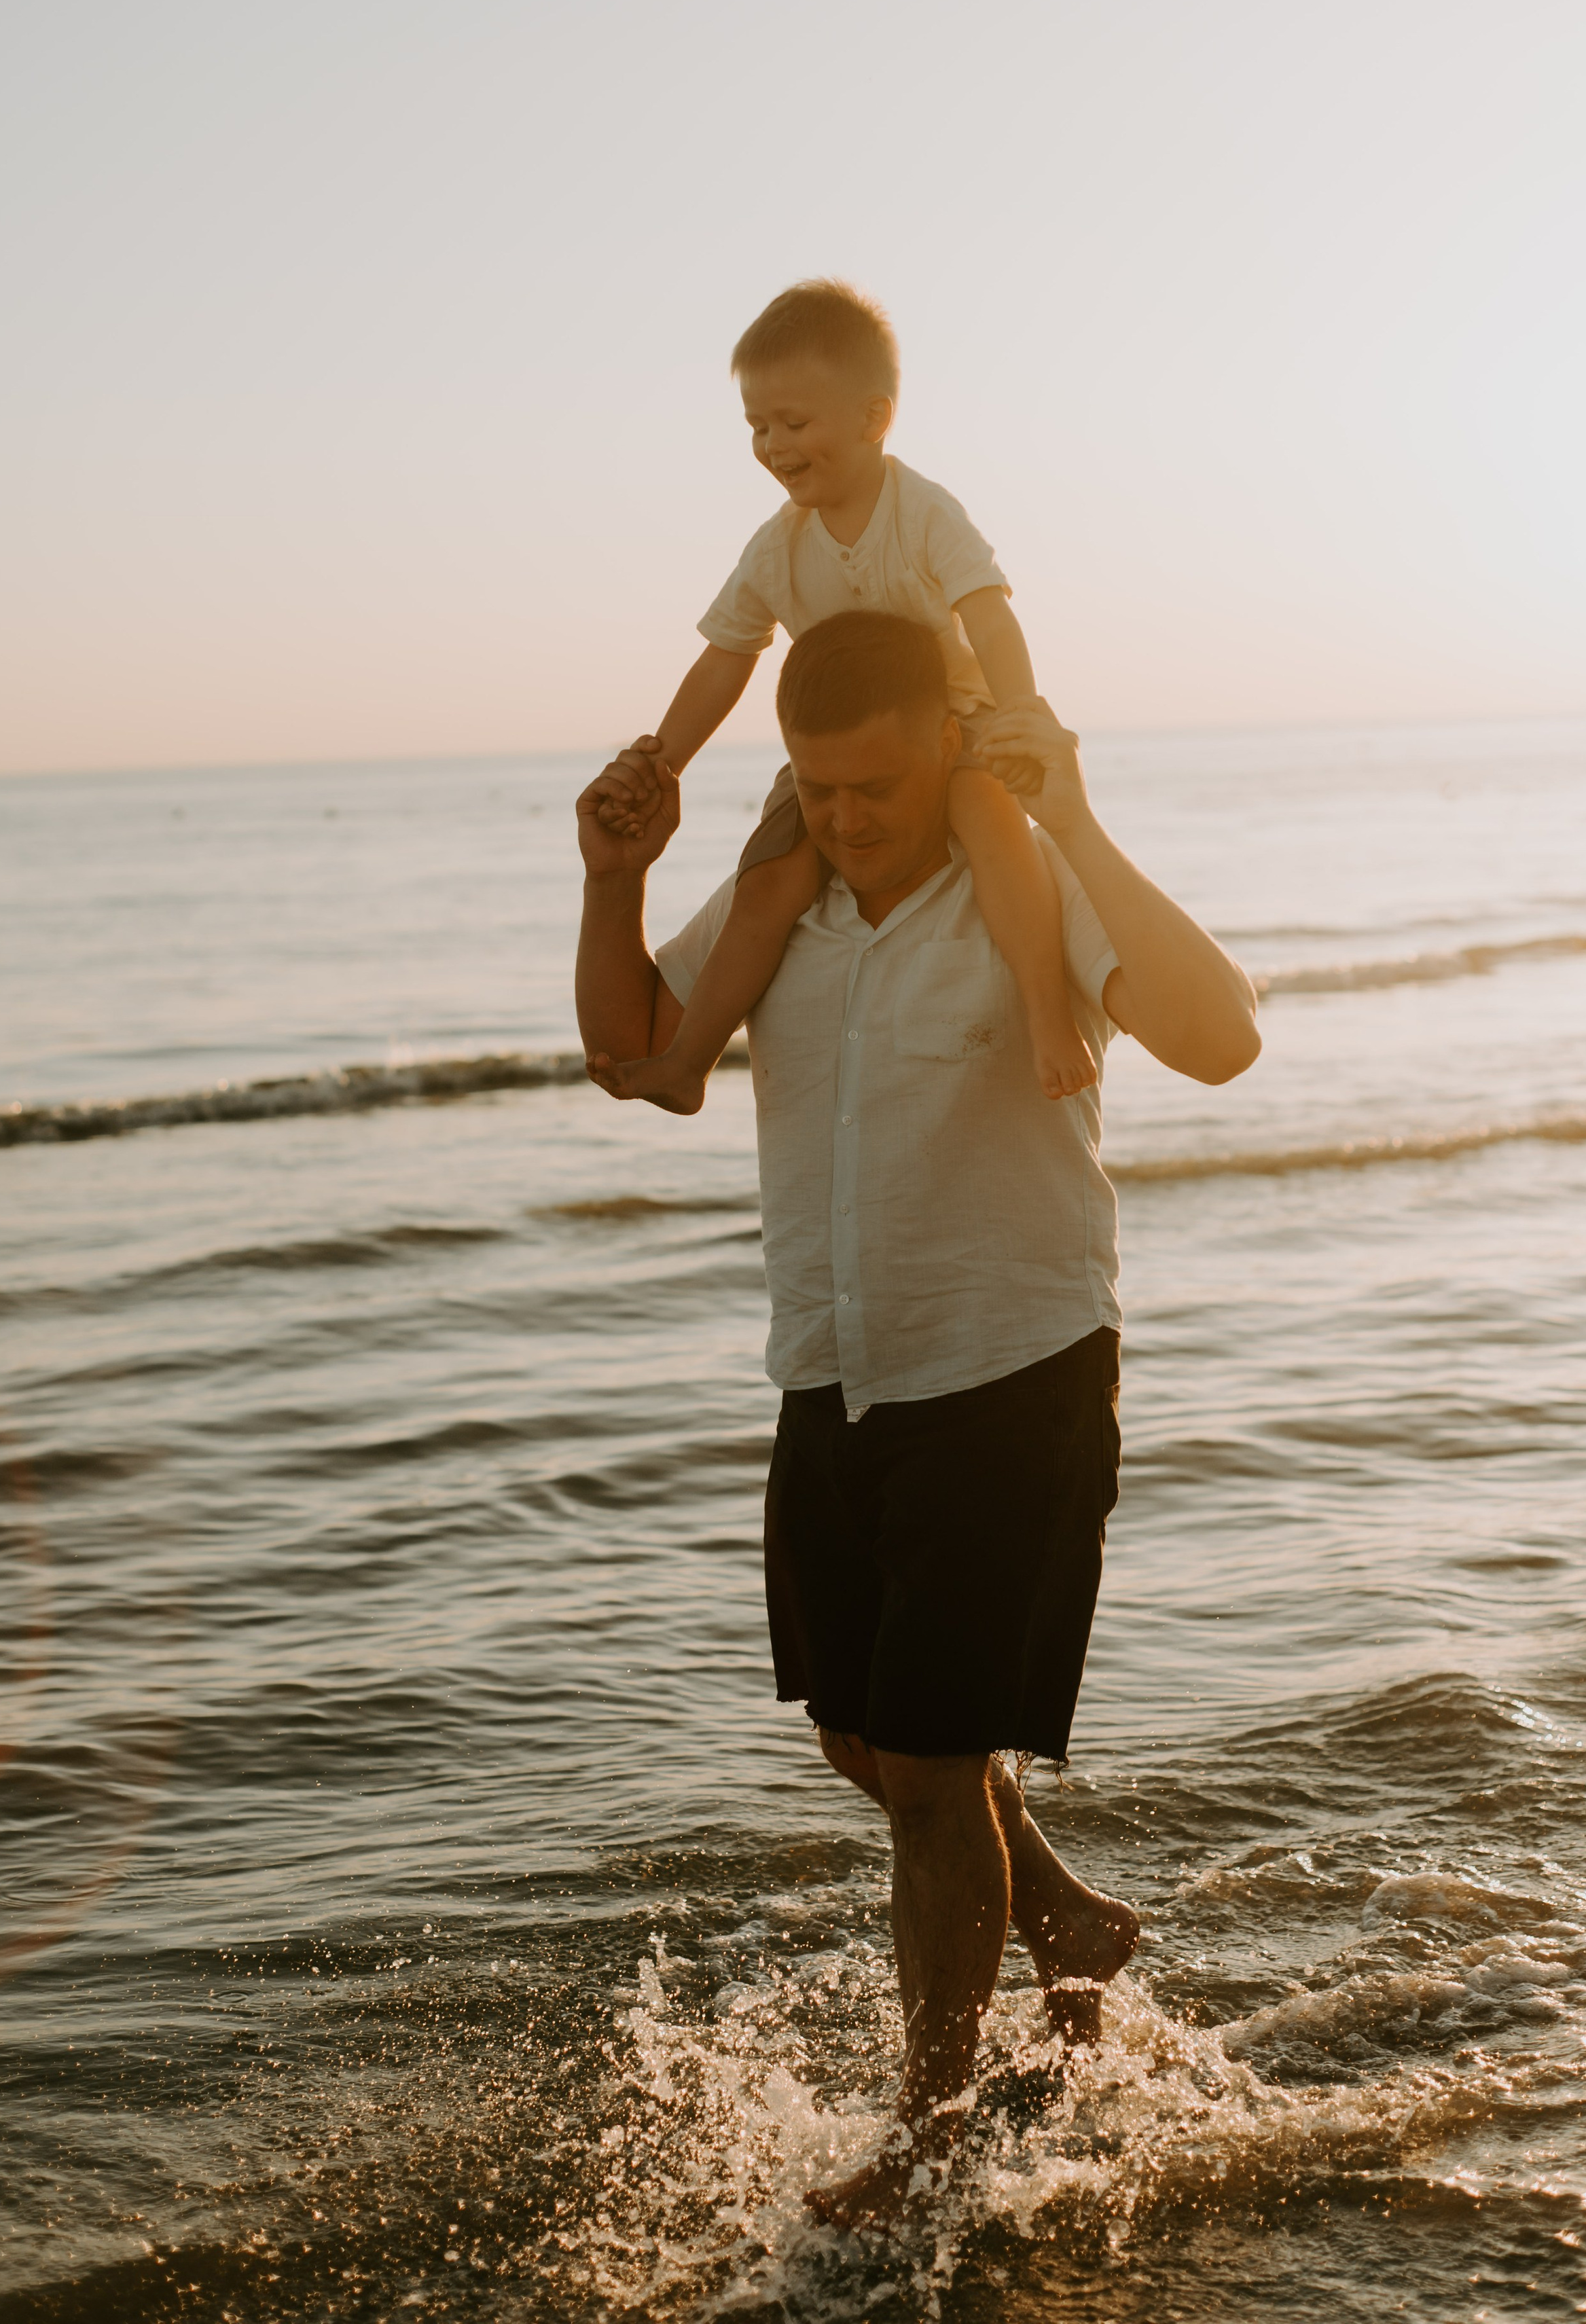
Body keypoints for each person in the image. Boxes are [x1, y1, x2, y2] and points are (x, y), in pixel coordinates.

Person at [575, 611, 1260, 2231]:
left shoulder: (1027, 890)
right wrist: (612, 874)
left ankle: (930, 2135)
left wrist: (1076, 813)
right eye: (815, 788)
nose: (846, 817)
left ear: (945, 748)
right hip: (829, 1373)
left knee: (941, 1770)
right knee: (861, 1736)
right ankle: (1069, 1917)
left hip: (1012, 1372)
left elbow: (1221, 1037)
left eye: (874, 785)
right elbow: (630, 1056)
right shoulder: (782, 907)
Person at [590, 276, 1097, 1110]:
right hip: (839, 752)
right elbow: (724, 660)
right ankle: (687, 1061)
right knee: (771, 880)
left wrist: (1017, 715)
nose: (773, 444)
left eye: (793, 422)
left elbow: (989, 617)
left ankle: (1050, 1019)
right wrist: (661, 761)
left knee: (995, 827)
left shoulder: (924, 512)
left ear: (872, 417)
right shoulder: (775, 547)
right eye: (756, 425)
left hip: (959, 725)